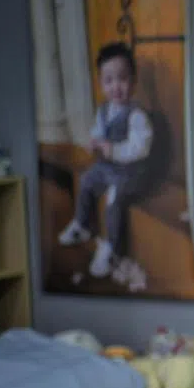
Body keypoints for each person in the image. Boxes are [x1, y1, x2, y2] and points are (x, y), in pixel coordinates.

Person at [58, 41, 153, 282]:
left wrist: (114, 150)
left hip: (131, 171)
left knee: (113, 197)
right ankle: (83, 224)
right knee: (87, 178)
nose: (116, 87)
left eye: (122, 79)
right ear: (101, 84)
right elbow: (99, 131)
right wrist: (96, 141)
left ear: (133, 81)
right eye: (109, 81)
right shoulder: (103, 111)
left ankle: (112, 248)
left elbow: (140, 148)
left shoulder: (137, 115)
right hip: (109, 166)